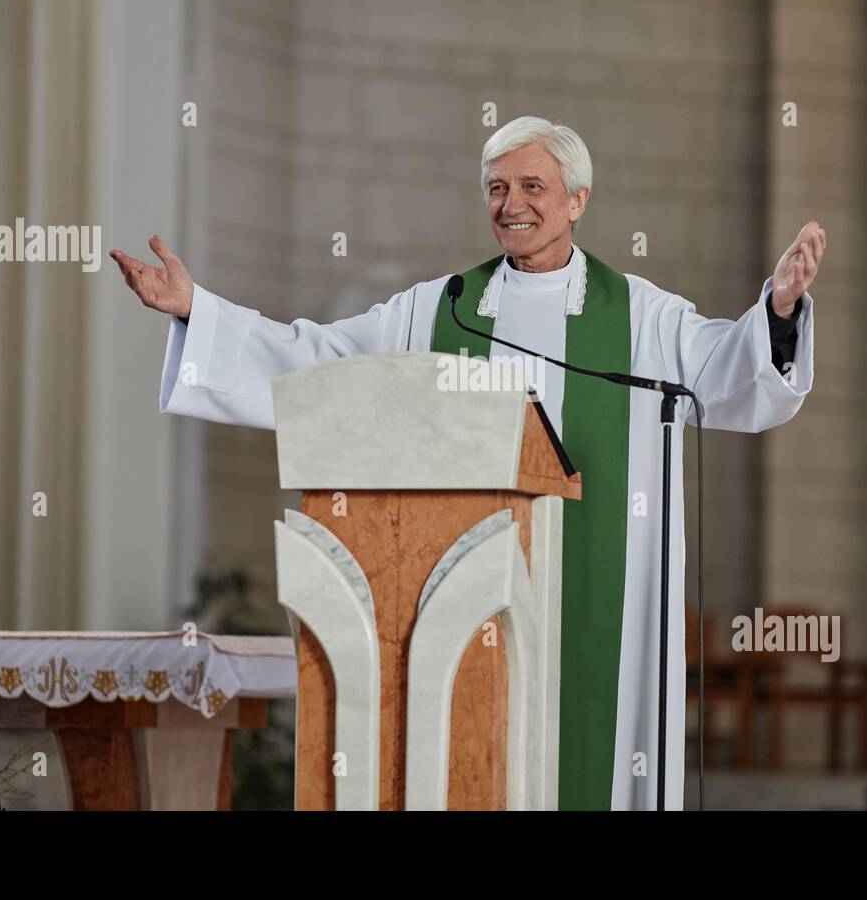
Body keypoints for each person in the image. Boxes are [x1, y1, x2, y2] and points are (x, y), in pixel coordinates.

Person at [112, 116, 823, 810]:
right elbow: (321, 362)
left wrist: (780, 312)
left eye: (533, 187)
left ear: (577, 200)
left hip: (605, 591)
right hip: (463, 597)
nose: (512, 205)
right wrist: (197, 311)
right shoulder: (444, 309)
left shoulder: (641, 316)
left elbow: (731, 371)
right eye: (496, 188)